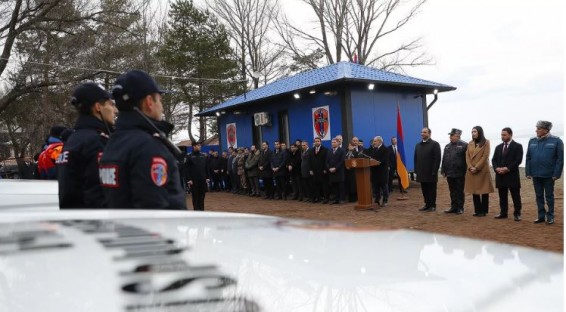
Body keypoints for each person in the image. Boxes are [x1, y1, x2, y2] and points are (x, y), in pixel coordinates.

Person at [99, 70, 186, 209]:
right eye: (160, 100)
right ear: (149, 102)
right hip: (157, 229)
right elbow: (155, 211)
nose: (162, 107)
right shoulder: (148, 147)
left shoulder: (113, 142)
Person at [57, 83, 117, 209]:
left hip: (74, 221)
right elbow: (99, 194)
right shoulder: (96, 141)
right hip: (95, 224)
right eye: (111, 104)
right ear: (98, 107)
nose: (115, 110)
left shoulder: (73, 139)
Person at [526, 120, 564, 224]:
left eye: (539, 128)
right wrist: (528, 172)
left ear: (546, 130)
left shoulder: (557, 141)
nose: (536, 130)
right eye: (537, 128)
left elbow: (560, 159)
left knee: (549, 196)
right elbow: (528, 157)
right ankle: (541, 216)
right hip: (536, 174)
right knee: (538, 196)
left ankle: (550, 216)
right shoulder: (532, 141)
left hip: (549, 175)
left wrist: (556, 174)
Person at [491, 127, 524, 221]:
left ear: (510, 134)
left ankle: (517, 214)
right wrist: (496, 168)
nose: (502, 136)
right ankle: (503, 213)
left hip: (512, 175)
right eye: (501, 135)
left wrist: (507, 168)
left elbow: (518, 160)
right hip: (500, 175)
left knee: (515, 196)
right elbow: (494, 160)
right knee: (502, 196)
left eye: (504, 135)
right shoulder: (498, 147)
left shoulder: (517, 146)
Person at [464, 126, 494, 217]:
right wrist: (470, 167)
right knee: (474, 191)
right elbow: (467, 156)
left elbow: (485, 156)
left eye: (475, 131)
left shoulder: (486, 142)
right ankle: (477, 210)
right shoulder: (470, 143)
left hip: (481, 170)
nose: (473, 133)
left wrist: (476, 167)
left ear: (479, 132)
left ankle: (484, 211)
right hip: (471, 170)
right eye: (472, 132)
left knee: (484, 191)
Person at [440, 128, 468, 214]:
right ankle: (453, 207)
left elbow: (468, 159)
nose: (450, 137)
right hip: (450, 172)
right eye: (450, 135)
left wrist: (467, 170)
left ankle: (460, 208)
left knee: (459, 191)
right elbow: (444, 158)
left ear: (458, 136)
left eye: (453, 135)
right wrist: (443, 170)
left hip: (460, 172)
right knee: (452, 191)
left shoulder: (465, 145)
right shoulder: (447, 146)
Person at [414, 127, 441, 212]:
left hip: (431, 172)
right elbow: (416, 158)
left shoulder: (435, 144)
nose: (422, 134)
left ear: (429, 134)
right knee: (424, 190)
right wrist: (416, 170)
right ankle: (427, 204)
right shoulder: (418, 145)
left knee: (432, 190)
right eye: (422, 132)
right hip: (421, 172)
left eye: (425, 132)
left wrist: (434, 170)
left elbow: (437, 159)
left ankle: (432, 205)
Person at [185, 141, 209, 211]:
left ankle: (201, 211)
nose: (200, 147)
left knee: (202, 196)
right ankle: (196, 211)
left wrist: (207, 177)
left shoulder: (203, 155)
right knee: (195, 197)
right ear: (194, 146)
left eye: (200, 146)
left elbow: (206, 167)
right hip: (193, 180)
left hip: (202, 179)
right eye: (198, 145)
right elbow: (186, 169)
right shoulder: (189, 156)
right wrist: (189, 179)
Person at [368, 136, 390, 207]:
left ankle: (385, 200)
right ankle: (377, 200)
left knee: (384, 187)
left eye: (375, 141)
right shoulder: (374, 149)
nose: (373, 143)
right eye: (374, 141)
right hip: (375, 172)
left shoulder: (385, 149)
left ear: (379, 141)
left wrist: (377, 161)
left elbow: (385, 159)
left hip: (382, 172)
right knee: (376, 187)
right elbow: (372, 157)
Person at [309, 137, 329, 203]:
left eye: (318, 141)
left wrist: (326, 169)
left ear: (320, 142)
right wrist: (310, 169)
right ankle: (317, 198)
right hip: (314, 171)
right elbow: (310, 161)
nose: (317, 142)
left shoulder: (325, 150)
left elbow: (327, 160)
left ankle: (326, 198)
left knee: (324, 185)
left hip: (322, 170)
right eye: (315, 141)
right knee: (315, 185)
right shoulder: (311, 150)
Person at [326, 138, 346, 204]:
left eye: (334, 142)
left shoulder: (342, 150)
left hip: (339, 171)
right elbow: (326, 161)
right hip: (331, 171)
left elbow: (342, 161)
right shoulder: (329, 151)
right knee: (334, 186)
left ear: (337, 143)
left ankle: (342, 199)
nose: (333, 143)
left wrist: (335, 168)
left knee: (341, 186)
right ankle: (336, 199)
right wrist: (329, 168)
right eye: (332, 142)